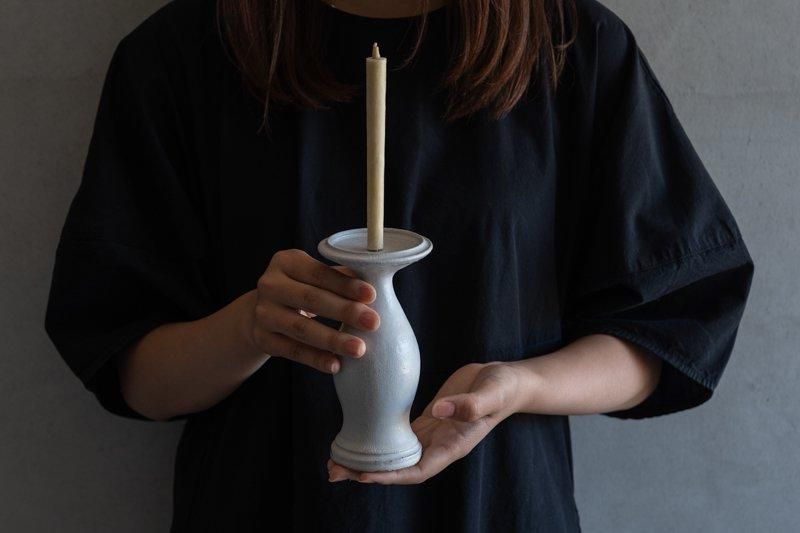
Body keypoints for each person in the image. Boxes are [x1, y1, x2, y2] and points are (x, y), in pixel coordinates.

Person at [44, 0, 755, 530]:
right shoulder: (186, 51)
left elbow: (671, 330)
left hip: (498, 509)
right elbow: (134, 372)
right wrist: (249, 329)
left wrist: (520, 385)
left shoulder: (570, 44)